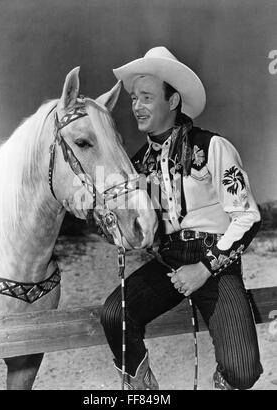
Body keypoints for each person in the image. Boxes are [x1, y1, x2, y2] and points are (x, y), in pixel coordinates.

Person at [100, 46, 263, 390]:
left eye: (146, 97)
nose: (137, 106)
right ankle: (144, 394)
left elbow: (248, 218)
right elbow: (131, 224)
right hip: (167, 265)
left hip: (215, 264)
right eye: (133, 98)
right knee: (116, 314)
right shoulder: (137, 163)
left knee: (244, 371)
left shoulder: (213, 147)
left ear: (172, 102)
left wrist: (203, 268)